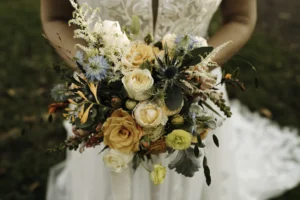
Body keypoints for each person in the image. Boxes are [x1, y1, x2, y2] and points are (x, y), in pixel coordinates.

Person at [42, 0, 300, 200]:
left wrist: (192, 72)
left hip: (197, 93)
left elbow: (240, 18)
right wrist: (104, 74)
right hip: (103, 95)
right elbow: (55, 17)